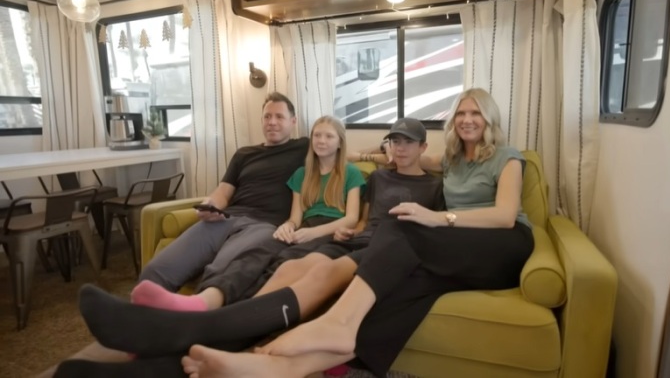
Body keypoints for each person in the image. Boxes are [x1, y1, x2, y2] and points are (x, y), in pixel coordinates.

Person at [180, 87, 536, 378]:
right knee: (395, 291)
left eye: (476, 113)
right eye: (461, 113)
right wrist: (357, 154)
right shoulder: (452, 160)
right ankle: (273, 364)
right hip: (455, 251)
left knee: (402, 223)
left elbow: (505, 216)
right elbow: (398, 159)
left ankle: (337, 323)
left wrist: (437, 218)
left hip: (503, 246)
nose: (467, 119)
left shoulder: (507, 156)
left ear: (489, 118)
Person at [53, 118, 445, 378]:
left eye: (409, 142)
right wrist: (337, 227)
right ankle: (191, 330)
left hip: (384, 250)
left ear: (423, 146)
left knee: (305, 270)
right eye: (395, 141)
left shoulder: (435, 183)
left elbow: (430, 215)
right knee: (279, 264)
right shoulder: (375, 176)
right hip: (353, 243)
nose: (400, 148)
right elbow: (361, 219)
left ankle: (181, 340)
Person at [131, 115, 365, 312]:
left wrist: (312, 233)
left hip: (328, 230)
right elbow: (296, 217)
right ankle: (199, 303)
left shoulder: (350, 173)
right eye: (317, 135)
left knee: (279, 263)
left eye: (329, 136)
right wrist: (289, 226)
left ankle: (235, 313)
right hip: (302, 228)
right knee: (255, 255)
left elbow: (352, 218)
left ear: (339, 142)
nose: (322, 141)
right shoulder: (302, 174)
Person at [138, 92, 310, 294]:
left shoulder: (304, 148)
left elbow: (334, 146)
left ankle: (196, 309)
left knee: (220, 273)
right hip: (225, 219)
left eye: (279, 117)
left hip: (264, 225)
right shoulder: (244, 154)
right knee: (155, 271)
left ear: (293, 121)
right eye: (267, 116)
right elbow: (223, 192)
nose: (272, 122)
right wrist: (210, 205)